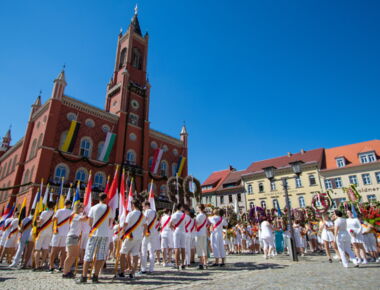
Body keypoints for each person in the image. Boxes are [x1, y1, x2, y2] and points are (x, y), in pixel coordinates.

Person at [78, 193, 114, 284]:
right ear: (106, 199)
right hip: (104, 234)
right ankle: (95, 276)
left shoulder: (93, 208)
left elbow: (89, 222)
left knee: (88, 254)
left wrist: (94, 227)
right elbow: (110, 222)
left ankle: (84, 276)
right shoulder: (109, 209)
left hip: (94, 233)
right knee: (101, 255)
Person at [118, 200, 146, 279]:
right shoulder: (142, 215)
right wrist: (142, 235)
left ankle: (122, 272)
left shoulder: (131, 214)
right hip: (138, 237)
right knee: (135, 254)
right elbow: (145, 226)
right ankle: (132, 273)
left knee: (122, 253)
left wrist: (122, 232)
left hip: (130, 236)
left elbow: (125, 224)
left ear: (133, 205)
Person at [62, 203, 87, 278]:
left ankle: (68, 270)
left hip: (75, 237)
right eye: (82, 207)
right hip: (72, 237)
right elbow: (84, 219)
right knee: (70, 255)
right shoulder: (75, 215)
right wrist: (89, 214)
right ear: (78, 208)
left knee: (73, 255)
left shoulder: (77, 215)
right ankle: (65, 272)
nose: (83, 209)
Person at [50, 200, 72, 272]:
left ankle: (51, 266)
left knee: (54, 250)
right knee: (63, 250)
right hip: (66, 232)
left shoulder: (59, 211)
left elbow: (53, 219)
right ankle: (61, 266)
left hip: (57, 232)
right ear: (69, 205)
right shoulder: (71, 212)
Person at [34, 201, 55, 271]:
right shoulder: (54, 213)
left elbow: (40, 222)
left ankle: (37, 266)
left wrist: (36, 220)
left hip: (42, 231)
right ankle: (42, 263)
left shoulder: (44, 212)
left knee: (37, 249)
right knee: (45, 248)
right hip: (49, 232)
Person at [140, 201, 158, 274]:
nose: (143, 208)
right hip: (153, 233)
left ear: (147, 205)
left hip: (147, 232)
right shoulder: (155, 212)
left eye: (143, 206)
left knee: (143, 251)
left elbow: (144, 221)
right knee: (151, 251)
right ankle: (151, 269)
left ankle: (143, 269)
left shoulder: (147, 211)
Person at [171, 203, 189, 270]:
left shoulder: (173, 215)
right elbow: (186, 223)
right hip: (183, 231)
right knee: (183, 247)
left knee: (176, 248)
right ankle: (183, 263)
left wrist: (174, 228)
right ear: (181, 207)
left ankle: (177, 264)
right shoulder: (184, 215)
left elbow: (170, 225)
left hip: (177, 231)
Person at [195, 204, 208, 270]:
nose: (197, 209)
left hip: (199, 233)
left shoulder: (198, 216)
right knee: (204, 248)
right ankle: (205, 263)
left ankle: (201, 263)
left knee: (200, 249)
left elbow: (196, 225)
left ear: (200, 208)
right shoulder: (205, 216)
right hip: (204, 233)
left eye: (197, 208)